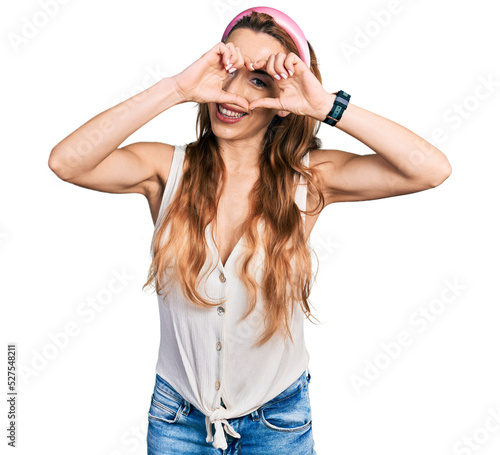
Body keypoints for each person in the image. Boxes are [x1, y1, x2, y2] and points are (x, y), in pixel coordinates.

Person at [48, 6, 452, 454]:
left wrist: (325, 106)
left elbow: (430, 170)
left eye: (259, 80)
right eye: (228, 71)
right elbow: (67, 162)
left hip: (277, 421)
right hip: (178, 420)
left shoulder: (310, 178)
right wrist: (176, 88)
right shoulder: (165, 168)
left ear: (284, 99)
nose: (234, 93)